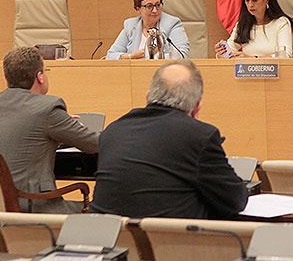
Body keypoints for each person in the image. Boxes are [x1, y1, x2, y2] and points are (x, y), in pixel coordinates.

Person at [90, 60, 247, 219]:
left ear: (148, 97)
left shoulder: (112, 131)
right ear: (196, 108)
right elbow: (235, 200)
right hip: (171, 241)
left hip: (110, 240)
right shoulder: (199, 136)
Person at [0, 47, 99, 213]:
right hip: (33, 208)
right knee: (104, 212)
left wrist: (58, 132)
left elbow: (24, 134)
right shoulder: (48, 108)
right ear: (39, 77)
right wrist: (73, 129)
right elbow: (95, 144)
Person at [215, 0, 293, 58]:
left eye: (255, 0)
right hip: (246, 70)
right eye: (247, 0)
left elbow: (285, 55)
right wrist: (222, 52)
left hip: (275, 70)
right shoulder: (243, 24)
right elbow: (230, 50)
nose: (250, 5)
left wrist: (253, 59)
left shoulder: (281, 23)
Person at [106, 0, 190, 60]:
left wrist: (148, 57)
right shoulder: (131, 25)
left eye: (157, 5)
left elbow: (182, 55)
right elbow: (110, 55)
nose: (155, 10)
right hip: (135, 74)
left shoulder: (172, 24)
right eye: (149, 6)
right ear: (138, 9)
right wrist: (131, 56)